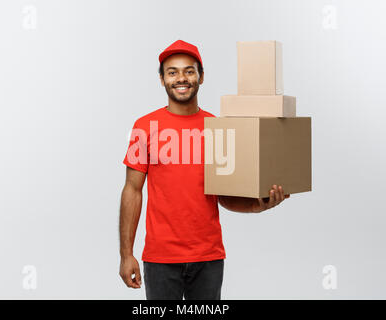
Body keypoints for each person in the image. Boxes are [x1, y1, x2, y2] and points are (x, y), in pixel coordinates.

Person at [119, 40, 289, 300]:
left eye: (189, 70)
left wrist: (258, 205)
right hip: (160, 257)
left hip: (208, 257)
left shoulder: (219, 128)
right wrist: (126, 253)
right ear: (162, 80)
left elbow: (225, 195)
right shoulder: (144, 126)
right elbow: (132, 190)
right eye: (172, 72)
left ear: (201, 76)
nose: (181, 78)